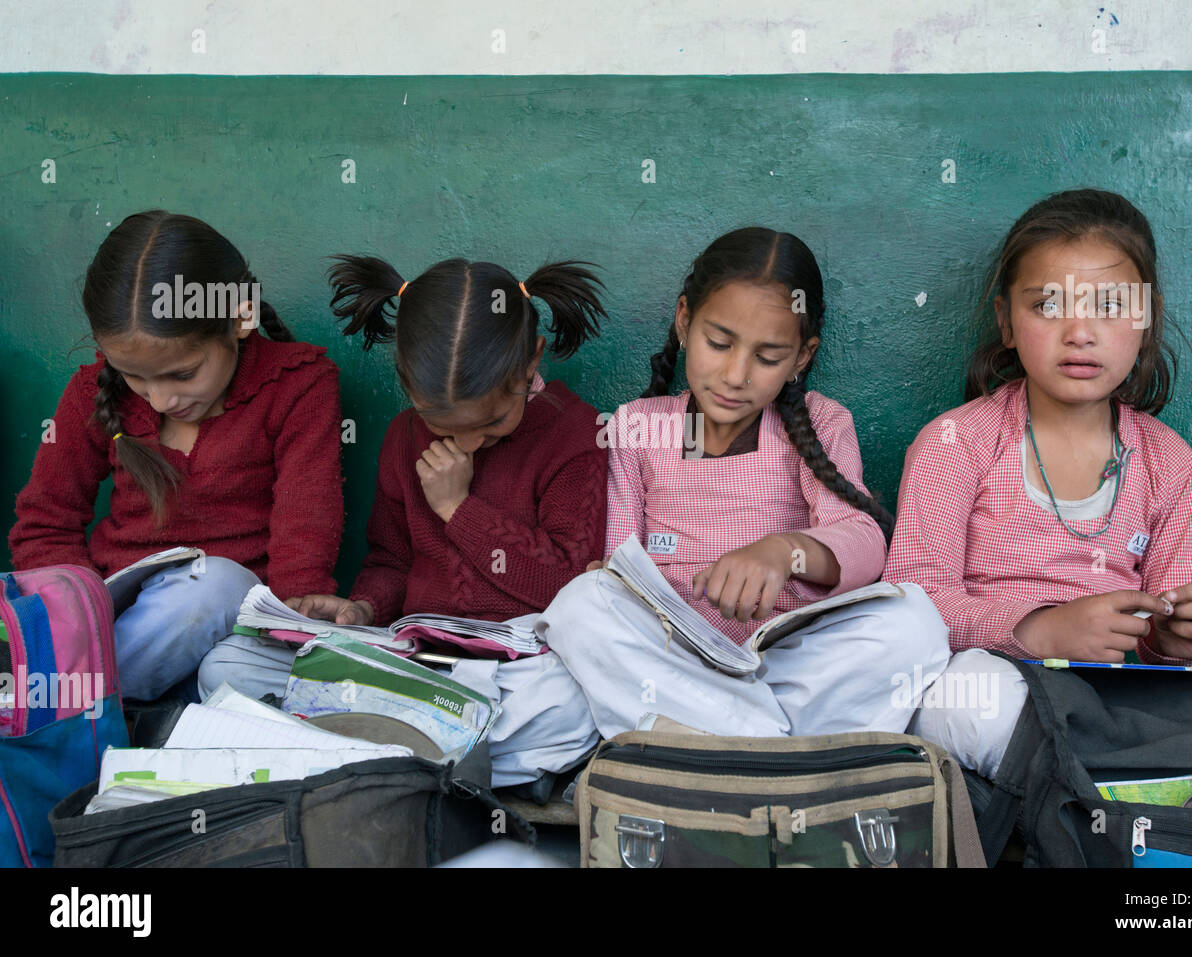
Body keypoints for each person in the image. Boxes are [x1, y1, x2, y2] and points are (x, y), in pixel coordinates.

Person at [200, 253, 609, 787]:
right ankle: (423, 755)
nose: (465, 444)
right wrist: (361, 608)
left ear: (532, 359)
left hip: (510, 675)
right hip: (411, 665)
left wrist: (459, 510)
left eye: (490, 425)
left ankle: (362, 755)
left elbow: (565, 582)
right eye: (442, 425)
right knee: (228, 665)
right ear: (408, 385)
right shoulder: (403, 437)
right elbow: (392, 560)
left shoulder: (575, 436)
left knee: (566, 706)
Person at [535, 226, 950, 738]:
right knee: (581, 606)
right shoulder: (639, 426)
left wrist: (785, 552)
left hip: (790, 665)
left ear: (802, 357)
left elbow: (865, 544)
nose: (736, 374)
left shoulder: (822, 422)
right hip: (675, 664)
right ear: (685, 320)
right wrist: (614, 586)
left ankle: (723, 741)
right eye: (719, 342)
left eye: (768, 357)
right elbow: (620, 559)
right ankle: (778, 749)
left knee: (916, 623)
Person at [885, 188, 1192, 778]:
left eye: (1110, 305)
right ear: (1007, 323)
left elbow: (1168, 633)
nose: (1080, 331)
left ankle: (1099, 778)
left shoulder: (1169, 462)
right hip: (988, 684)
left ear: (1145, 319)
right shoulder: (955, 444)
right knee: (978, 699)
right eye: (1048, 305)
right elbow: (907, 609)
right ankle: (1101, 782)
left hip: (1113, 698)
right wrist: (1039, 630)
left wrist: (1177, 640)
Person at [9, 210, 343, 703]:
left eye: (182, 375)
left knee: (219, 590)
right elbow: (44, 524)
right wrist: (74, 616)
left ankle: (72, 705)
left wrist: (295, 615)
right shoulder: (91, 394)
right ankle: (81, 700)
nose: (160, 399)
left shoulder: (298, 386)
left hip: (238, 632)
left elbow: (305, 526)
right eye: (135, 376)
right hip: (118, 626)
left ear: (239, 317)